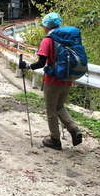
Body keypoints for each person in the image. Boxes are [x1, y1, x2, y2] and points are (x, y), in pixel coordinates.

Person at [19, 12, 83, 150]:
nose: (43, 28)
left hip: (53, 80)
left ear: (47, 26)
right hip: (67, 78)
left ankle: (55, 140)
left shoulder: (48, 40)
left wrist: (28, 66)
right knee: (59, 106)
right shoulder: (67, 39)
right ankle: (74, 129)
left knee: (51, 110)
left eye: (44, 25)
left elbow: (41, 62)